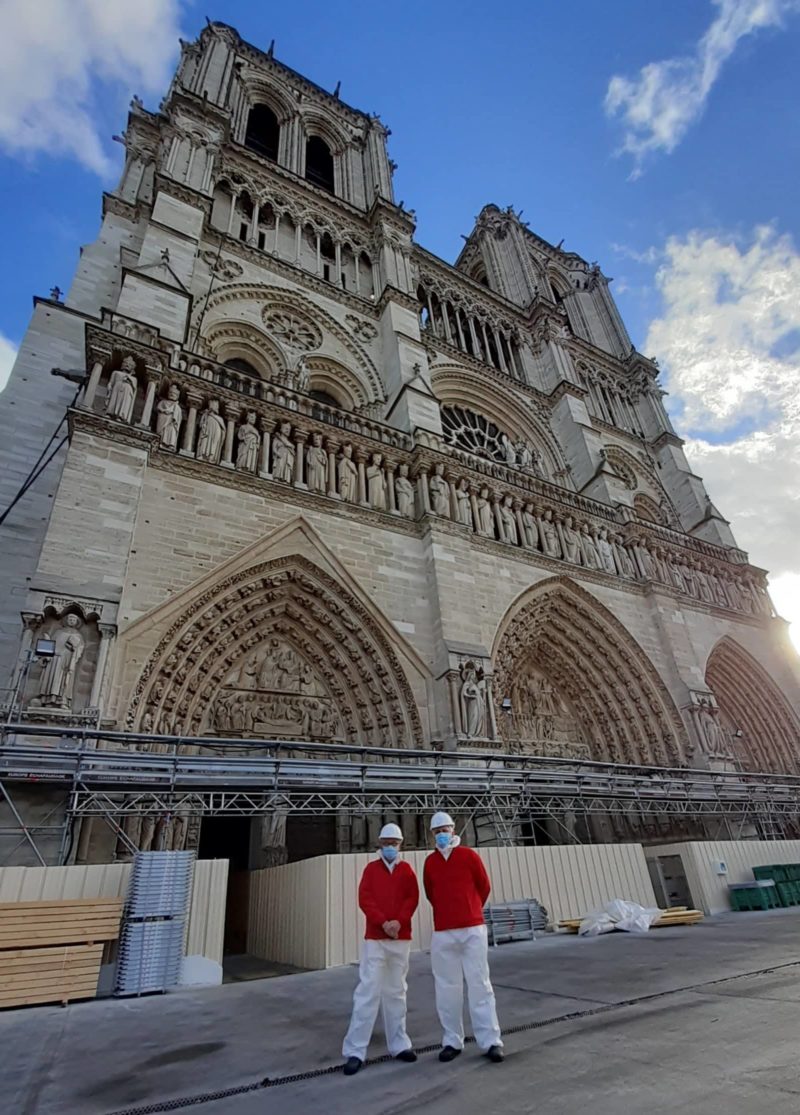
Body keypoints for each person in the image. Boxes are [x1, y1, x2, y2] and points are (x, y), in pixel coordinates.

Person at [423, 812, 503, 1064]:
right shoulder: (430, 863)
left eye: (445, 829)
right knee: (447, 988)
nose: (442, 835)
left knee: (480, 984)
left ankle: (491, 1041)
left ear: (454, 829)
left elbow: (484, 886)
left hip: (472, 929)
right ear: (432, 835)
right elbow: (430, 893)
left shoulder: (469, 856)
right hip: (444, 931)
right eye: (437, 832)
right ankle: (451, 1040)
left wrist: (470, 908)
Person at [342, 823, 420, 1076]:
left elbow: (412, 898)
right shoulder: (371, 870)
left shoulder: (407, 870)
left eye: (394, 844)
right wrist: (383, 923)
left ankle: (399, 1045)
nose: (390, 847)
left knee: (396, 992)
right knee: (367, 992)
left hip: (400, 938)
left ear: (401, 845)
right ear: (379, 844)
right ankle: (355, 1051)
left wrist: (399, 922)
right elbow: (365, 899)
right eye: (386, 843)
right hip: (376, 938)